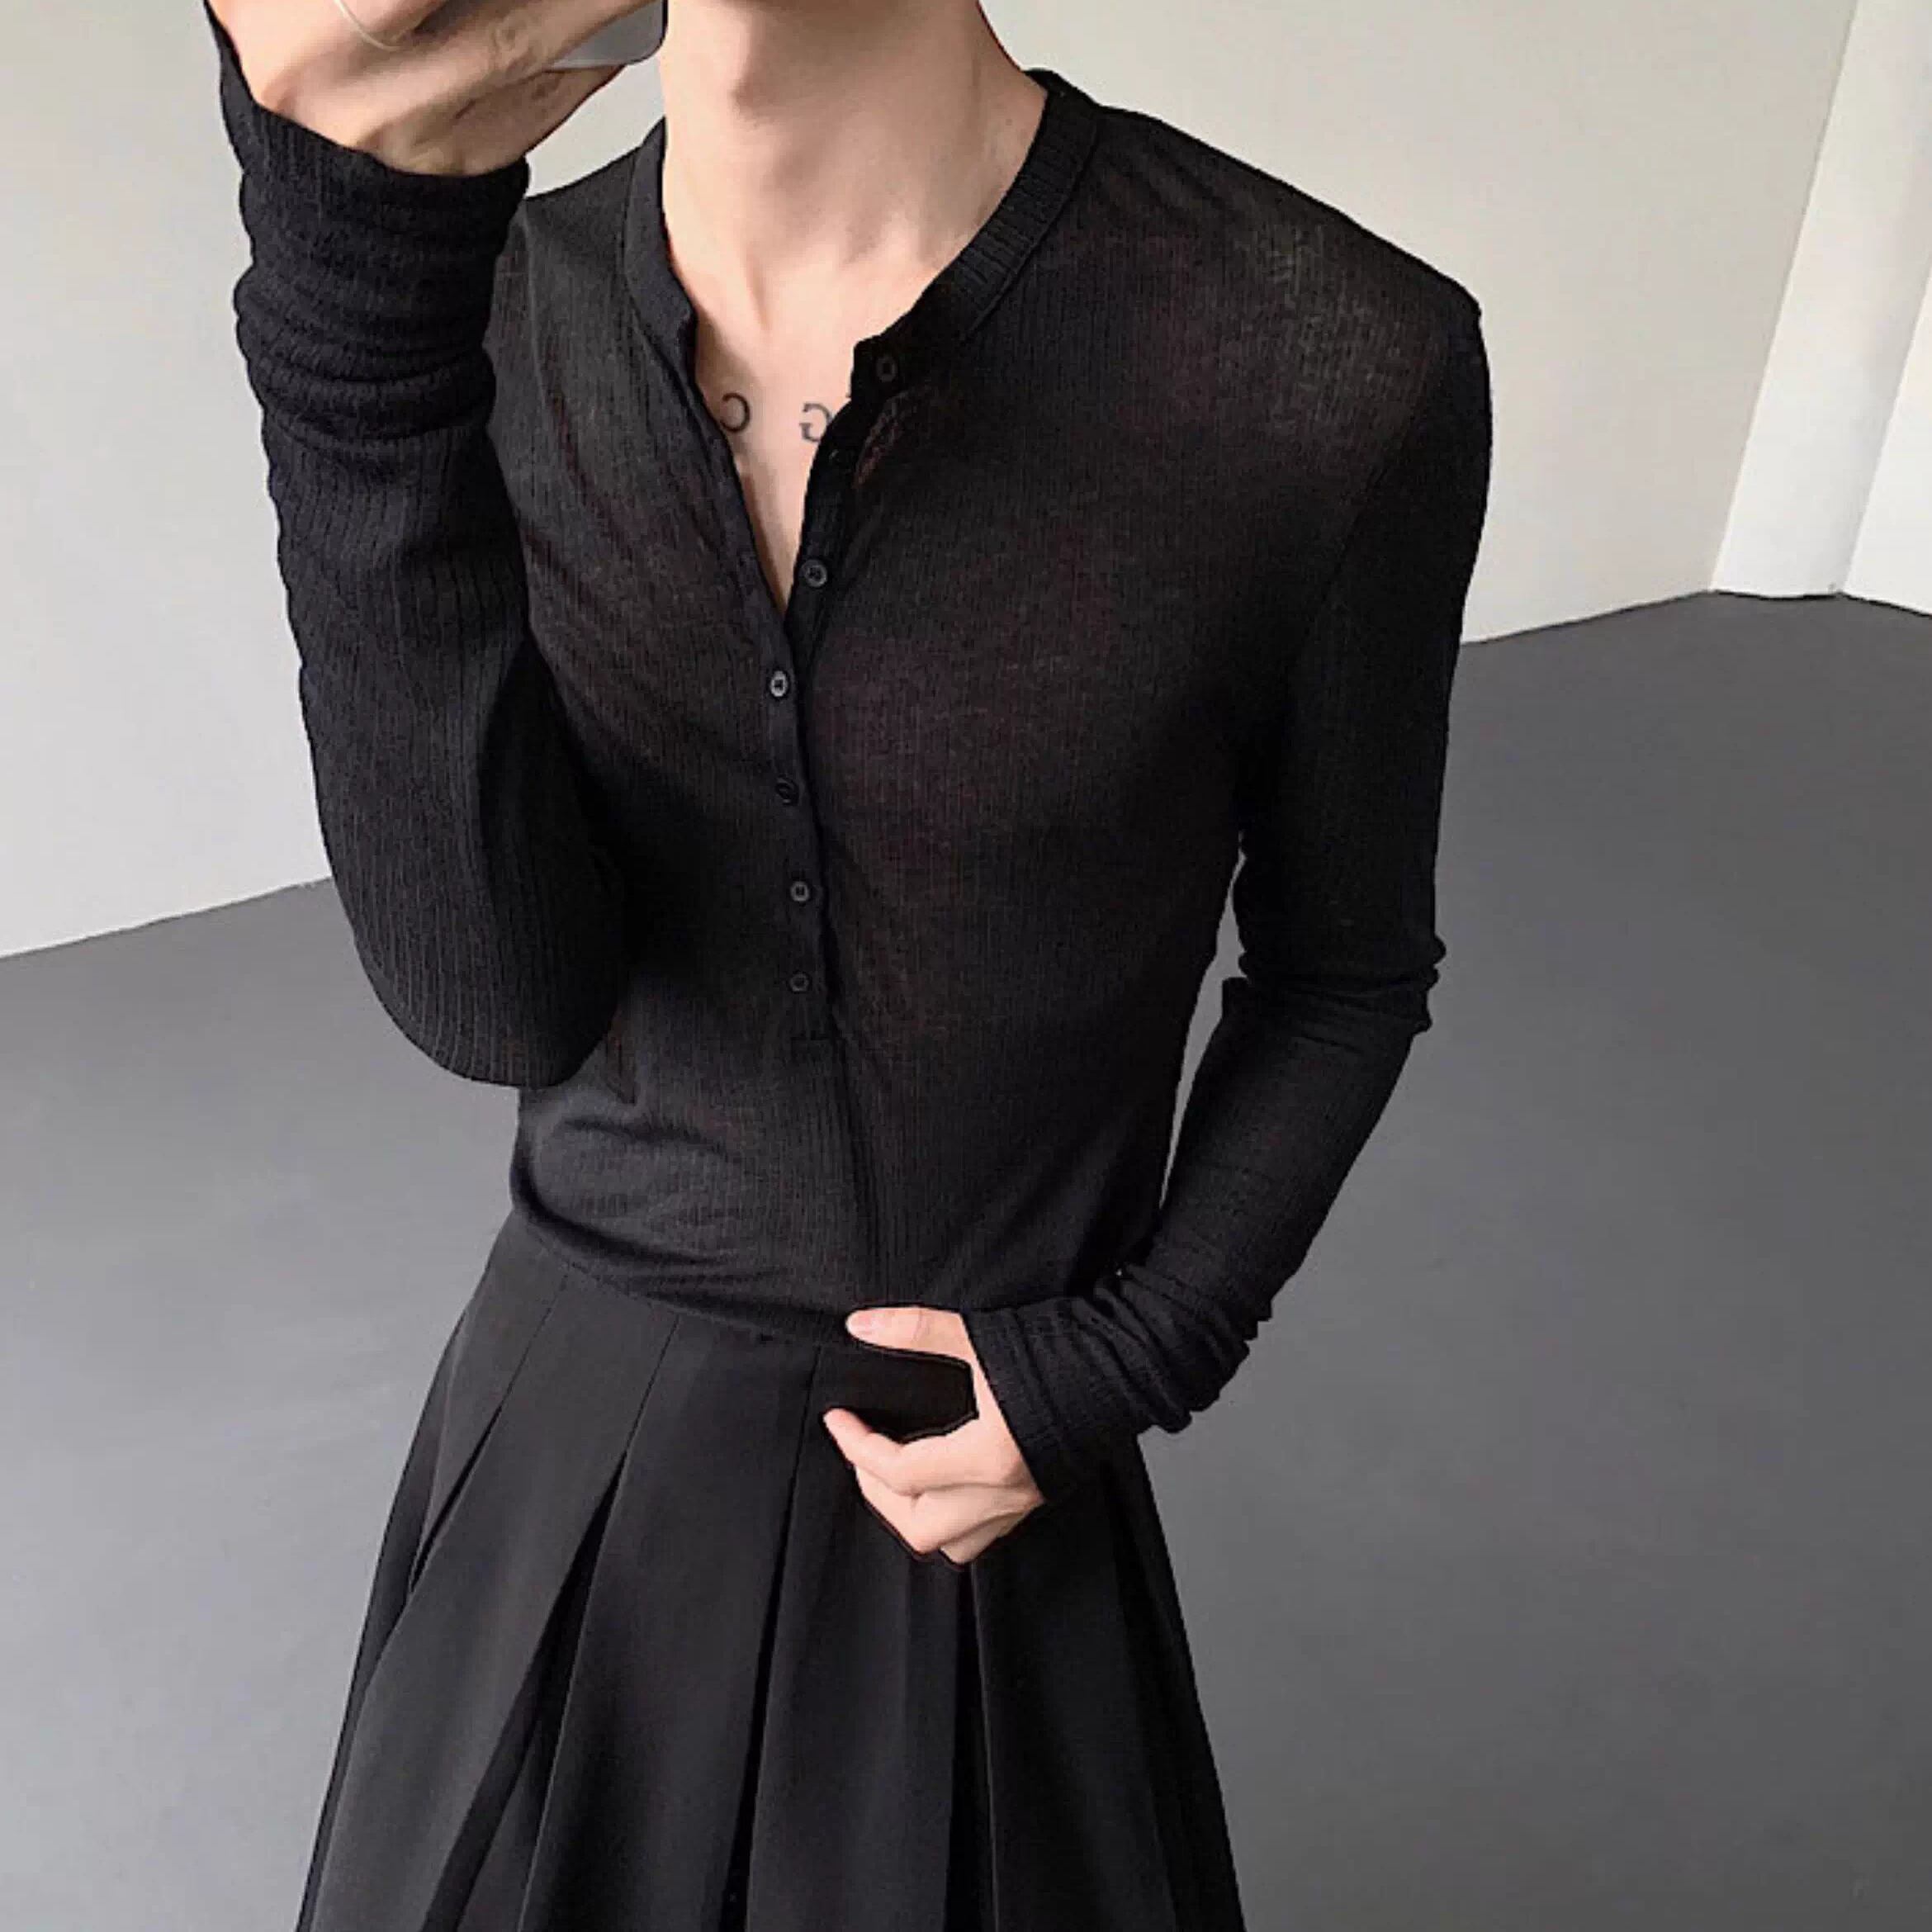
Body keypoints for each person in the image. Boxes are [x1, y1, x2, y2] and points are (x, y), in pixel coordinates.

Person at [201, 0, 1494, 1925]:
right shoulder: (479, 318)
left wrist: (1135, 1354)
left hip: (973, 1494)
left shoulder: (1327, 357)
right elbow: (496, 1002)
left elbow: (1345, 969)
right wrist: (352, 331)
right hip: (569, 1481)